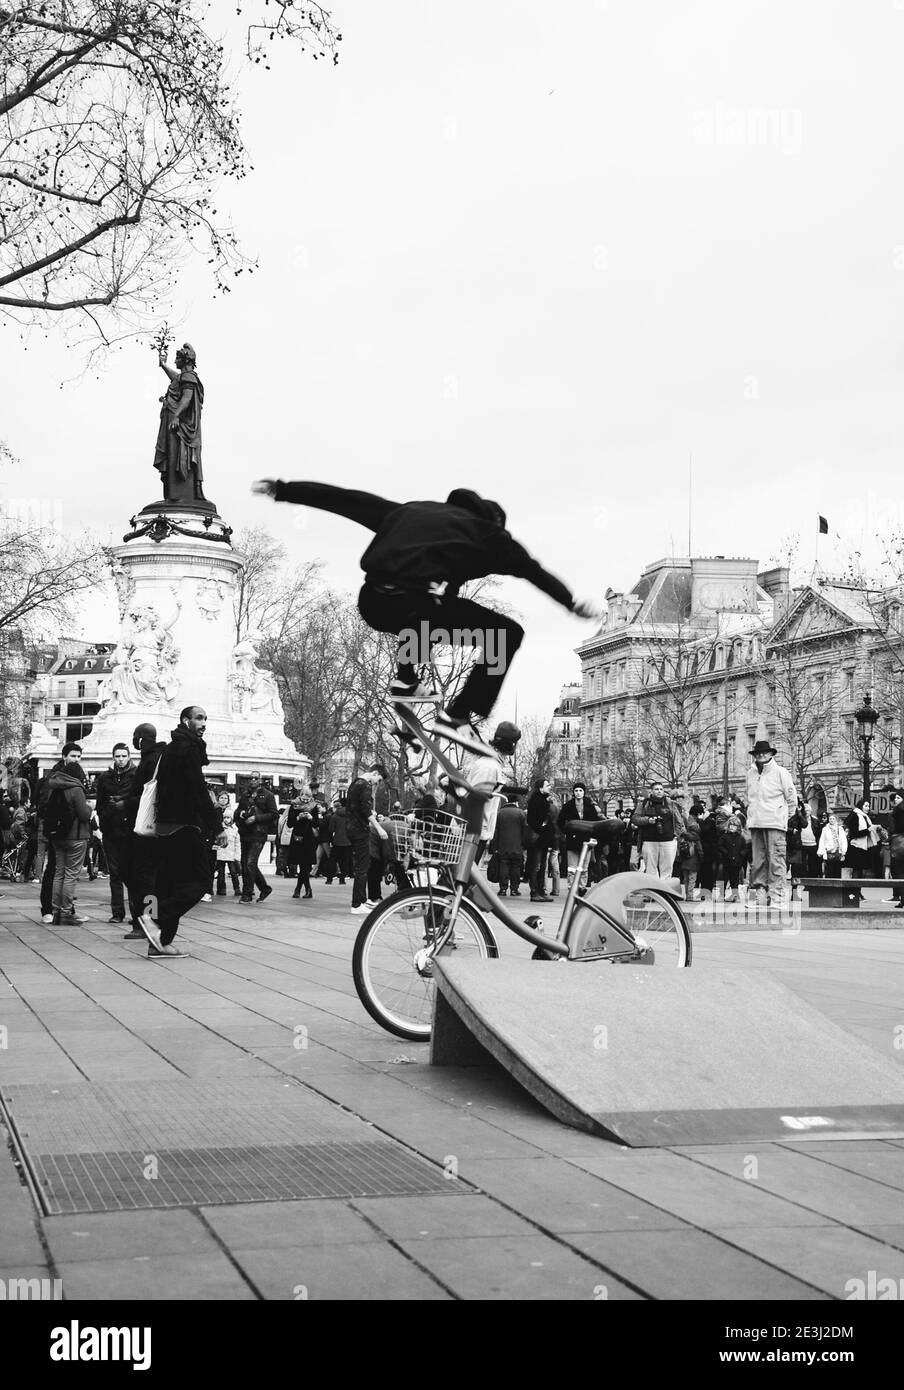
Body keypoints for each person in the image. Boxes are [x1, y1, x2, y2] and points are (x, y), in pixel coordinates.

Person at [252, 478, 600, 747]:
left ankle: (407, 678)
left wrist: (285, 489)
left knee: (425, 613)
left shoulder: (408, 512)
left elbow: (347, 500)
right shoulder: (488, 535)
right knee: (505, 633)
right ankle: (459, 712)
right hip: (415, 606)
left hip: (373, 602)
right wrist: (569, 602)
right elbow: (533, 570)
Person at [137, 706, 220, 958]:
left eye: (205, 718)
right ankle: (153, 919)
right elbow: (196, 790)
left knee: (167, 884)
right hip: (183, 825)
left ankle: (158, 943)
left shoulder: (170, 748)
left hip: (163, 826)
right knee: (201, 881)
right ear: (186, 720)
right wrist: (216, 826)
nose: (203, 723)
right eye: (198, 718)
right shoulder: (188, 748)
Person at [124, 721, 167, 941]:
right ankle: (151, 919)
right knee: (152, 878)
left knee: (143, 879)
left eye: (135, 736)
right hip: (158, 828)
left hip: (144, 829)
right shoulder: (161, 756)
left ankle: (144, 922)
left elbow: (141, 796)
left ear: (141, 738)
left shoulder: (149, 760)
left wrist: (124, 803)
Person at [745, 740, 797, 906]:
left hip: (774, 823)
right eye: (758, 753)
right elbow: (749, 797)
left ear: (771, 754)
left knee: (776, 860)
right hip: (756, 823)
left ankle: (778, 897)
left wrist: (783, 818)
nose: (761, 755)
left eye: (764, 753)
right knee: (757, 863)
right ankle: (758, 897)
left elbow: (791, 799)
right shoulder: (750, 773)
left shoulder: (781, 772)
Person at [46, 742, 92, 924]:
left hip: (57, 835)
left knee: (59, 874)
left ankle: (56, 911)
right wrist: (90, 808)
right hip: (76, 836)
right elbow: (83, 814)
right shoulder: (76, 788)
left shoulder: (54, 785)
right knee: (71, 875)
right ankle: (66, 912)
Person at [95, 743, 140, 925]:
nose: (120, 759)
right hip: (111, 830)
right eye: (117, 756)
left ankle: (137, 914)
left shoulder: (137, 775)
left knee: (132, 873)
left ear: (129, 756)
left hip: (130, 830)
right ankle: (117, 912)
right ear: (113, 757)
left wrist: (123, 801)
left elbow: (140, 799)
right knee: (114, 873)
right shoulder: (105, 777)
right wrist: (106, 814)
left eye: (123, 756)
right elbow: (99, 803)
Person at [346, 766, 390, 914]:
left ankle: (361, 901)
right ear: (375, 773)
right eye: (379, 780)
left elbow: (357, 807)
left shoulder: (355, 783)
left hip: (351, 827)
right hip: (360, 829)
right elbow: (365, 810)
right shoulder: (365, 785)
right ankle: (357, 904)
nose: (377, 783)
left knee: (362, 865)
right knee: (363, 867)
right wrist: (379, 828)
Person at [235, 773, 278, 904]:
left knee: (250, 863)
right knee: (246, 864)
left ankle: (247, 894)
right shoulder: (245, 795)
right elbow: (237, 811)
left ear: (260, 780)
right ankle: (264, 888)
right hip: (245, 832)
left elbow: (274, 813)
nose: (253, 780)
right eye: (251, 778)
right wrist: (241, 813)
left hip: (259, 833)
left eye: (255, 778)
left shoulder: (268, 795)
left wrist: (256, 818)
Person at [632, 781, 684, 880]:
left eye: (661, 789)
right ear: (651, 791)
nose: (659, 791)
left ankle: (664, 893)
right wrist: (647, 820)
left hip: (668, 841)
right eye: (656, 789)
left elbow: (679, 820)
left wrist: (678, 835)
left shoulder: (671, 803)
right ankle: (654, 893)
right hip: (649, 841)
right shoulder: (644, 804)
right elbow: (635, 818)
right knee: (651, 871)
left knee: (667, 870)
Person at [558, 781, 601, 894]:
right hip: (572, 840)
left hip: (586, 840)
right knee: (572, 867)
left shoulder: (590, 806)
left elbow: (595, 822)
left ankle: (582, 887)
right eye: (576, 790)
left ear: (584, 792)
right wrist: (566, 831)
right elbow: (560, 822)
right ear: (573, 792)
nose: (578, 793)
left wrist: (593, 836)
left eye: (580, 790)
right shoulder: (567, 806)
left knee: (584, 866)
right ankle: (571, 886)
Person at [493, 793, 527, 897]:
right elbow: (525, 830)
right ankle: (514, 889)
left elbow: (496, 831)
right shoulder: (521, 813)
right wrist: (524, 845)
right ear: (516, 802)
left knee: (503, 866)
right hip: (517, 846)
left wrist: (495, 846)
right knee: (516, 868)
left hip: (503, 845)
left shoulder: (500, 813)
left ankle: (503, 889)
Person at [290, 797, 317, 900]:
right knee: (302, 866)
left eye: (308, 795)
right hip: (298, 839)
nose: (305, 798)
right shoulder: (294, 806)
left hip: (308, 839)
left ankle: (299, 889)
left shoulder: (313, 807)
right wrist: (298, 818)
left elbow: (317, 824)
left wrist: (311, 818)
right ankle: (307, 890)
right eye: (303, 795)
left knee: (305, 866)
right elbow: (289, 823)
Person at [718, 815, 750, 902]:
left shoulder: (741, 838)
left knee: (734, 880)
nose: (732, 827)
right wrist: (725, 853)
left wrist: (741, 854)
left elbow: (745, 848)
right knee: (723, 879)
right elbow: (720, 846)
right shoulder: (724, 836)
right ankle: (721, 895)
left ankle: (735, 895)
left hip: (736, 862)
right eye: (731, 825)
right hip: (726, 861)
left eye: (734, 826)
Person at [844, 797, 875, 880]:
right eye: (866, 806)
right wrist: (868, 830)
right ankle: (854, 890)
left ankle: (857, 891)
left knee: (859, 870)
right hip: (856, 846)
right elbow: (854, 833)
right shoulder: (855, 815)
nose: (868, 808)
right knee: (856, 870)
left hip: (862, 846)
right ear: (861, 806)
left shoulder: (864, 817)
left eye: (868, 806)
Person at [215, 812, 241, 896]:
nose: (226, 819)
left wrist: (237, 855)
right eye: (225, 817)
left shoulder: (235, 829)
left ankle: (237, 888)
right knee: (221, 873)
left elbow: (237, 843)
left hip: (231, 854)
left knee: (233, 873)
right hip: (221, 853)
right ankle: (221, 889)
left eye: (228, 818)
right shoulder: (220, 828)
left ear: (231, 819)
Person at [325, 798, 350, 884]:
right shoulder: (350, 815)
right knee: (345, 861)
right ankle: (342, 879)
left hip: (337, 841)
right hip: (348, 841)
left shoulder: (335, 816)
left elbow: (331, 829)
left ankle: (329, 879)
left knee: (332, 860)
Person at [818, 812, 847, 879]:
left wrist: (844, 850)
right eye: (830, 819)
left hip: (837, 852)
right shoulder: (825, 829)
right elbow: (822, 840)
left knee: (837, 870)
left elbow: (843, 840)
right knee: (829, 870)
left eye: (833, 819)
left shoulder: (840, 829)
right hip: (829, 852)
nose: (831, 820)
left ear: (836, 820)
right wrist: (820, 851)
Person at [889, 791, 904, 907]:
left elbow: (895, 828)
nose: (896, 799)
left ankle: (902, 898)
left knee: (898, 872)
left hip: (899, 843)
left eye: (898, 797)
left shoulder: (897, 811)